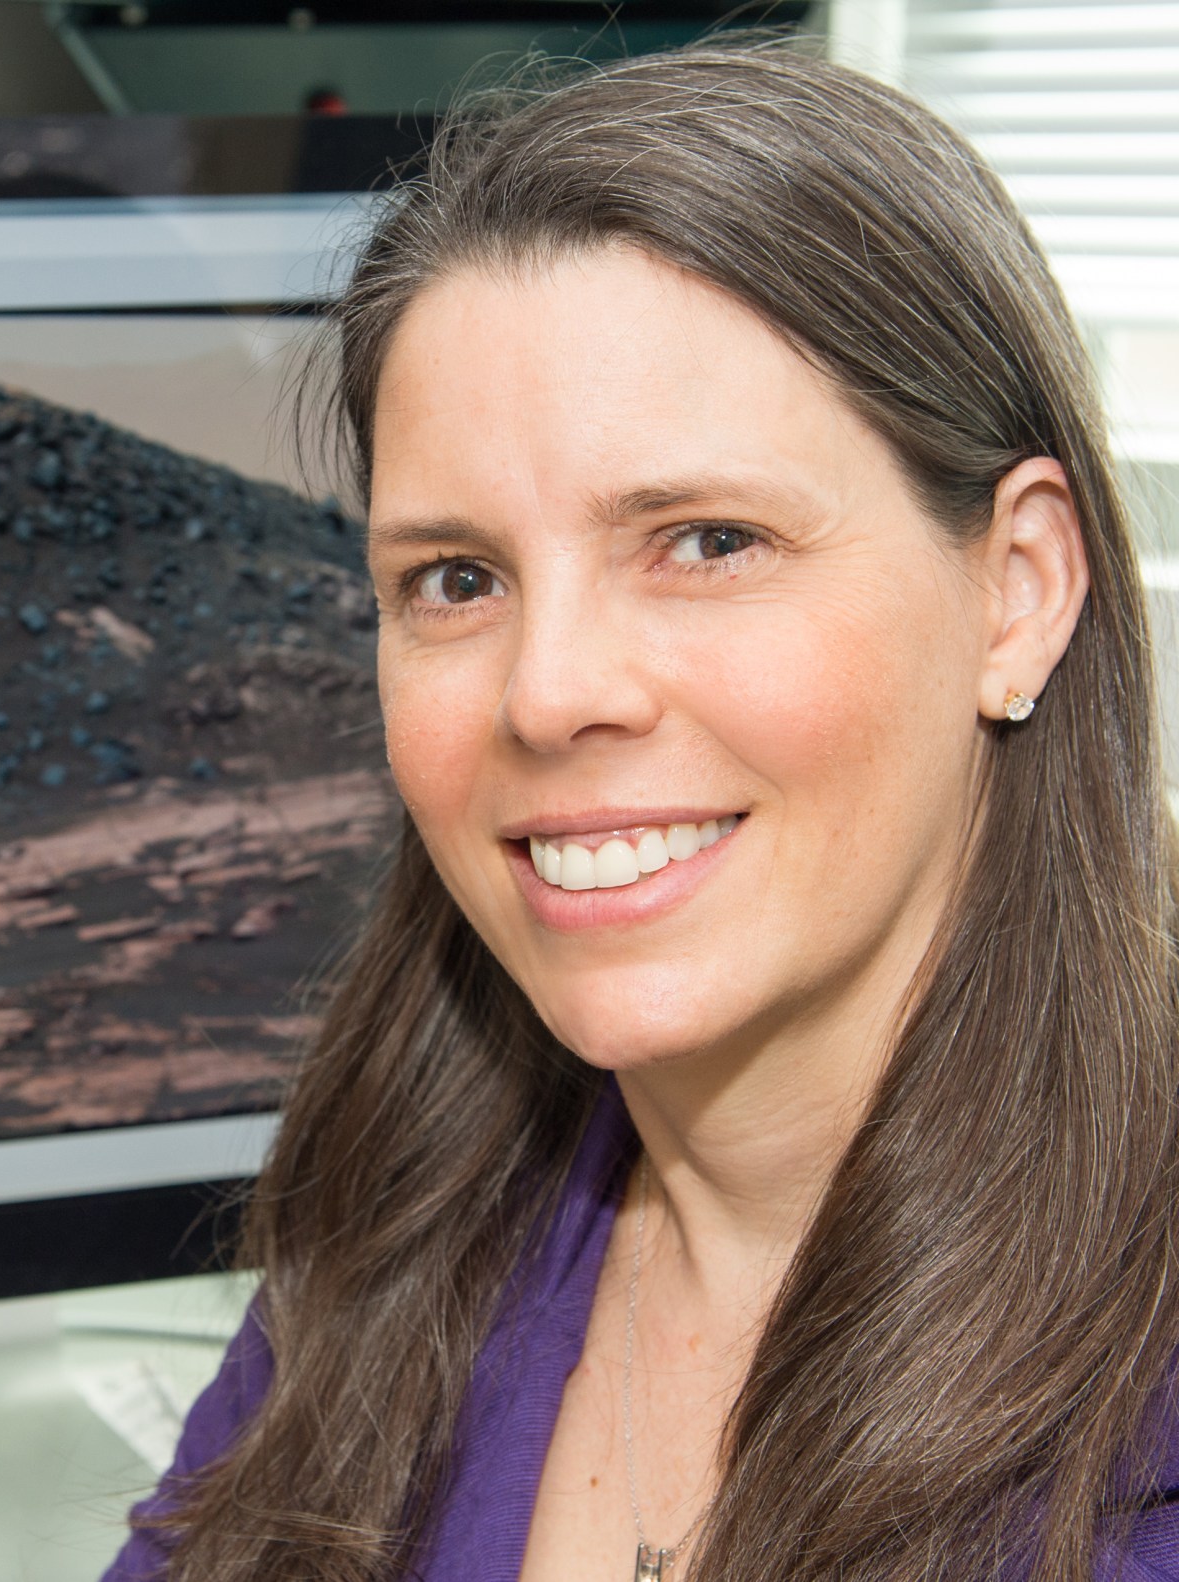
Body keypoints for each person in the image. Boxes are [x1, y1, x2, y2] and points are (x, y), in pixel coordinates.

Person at [101, 39, 1179, 1582]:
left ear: (1017, 593)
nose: (549, 693)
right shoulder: (407, 1235)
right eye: (456, 580)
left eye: (709, 540)